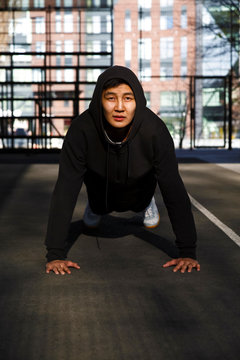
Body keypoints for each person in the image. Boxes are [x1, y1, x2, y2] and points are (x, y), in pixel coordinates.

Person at [45, 65, 200, 275]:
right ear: (99, 100)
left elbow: (173, 189)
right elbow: (65, 189)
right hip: (100, 186)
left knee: (140, 201)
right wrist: (55, 254)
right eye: (111, 98)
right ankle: (95, 206)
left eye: (128, 98)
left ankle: (147, 204)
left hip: (140, 187)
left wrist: (187, 251)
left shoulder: (155, 131)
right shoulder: (81, 130)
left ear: (138, 100)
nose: (120, 107)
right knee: (99, 206)